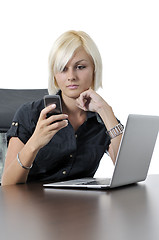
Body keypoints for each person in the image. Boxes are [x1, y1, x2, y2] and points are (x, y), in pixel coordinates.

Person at [1, 30, 123, 186]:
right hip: (34, 207)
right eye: (63, 69)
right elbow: (7, 185)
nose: (71, 76)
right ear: (54, 75)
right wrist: (34, 143)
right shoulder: (29, 114)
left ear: (94, 70)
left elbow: (128, 169)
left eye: (80, 67)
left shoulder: (102, 119)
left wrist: (106, 111)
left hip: (82, 206)